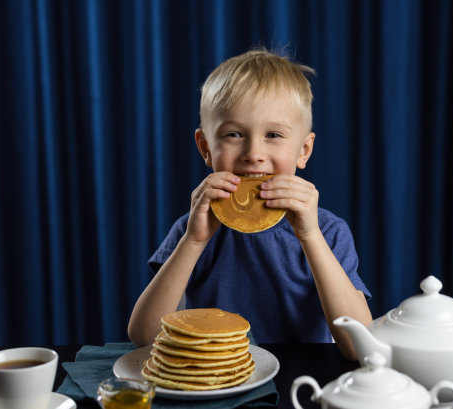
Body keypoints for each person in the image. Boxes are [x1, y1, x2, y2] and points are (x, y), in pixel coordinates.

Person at [128, 48, 372, 360]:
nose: (253, 153)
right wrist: (193, 240)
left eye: (273, 134)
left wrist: (309, 236)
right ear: (205, 147)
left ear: (304, 150)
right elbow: (145, 339)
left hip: (303, 386)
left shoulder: (328, 231)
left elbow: (359, 347)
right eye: (233, 134)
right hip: (218, 382)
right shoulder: (193, 229)